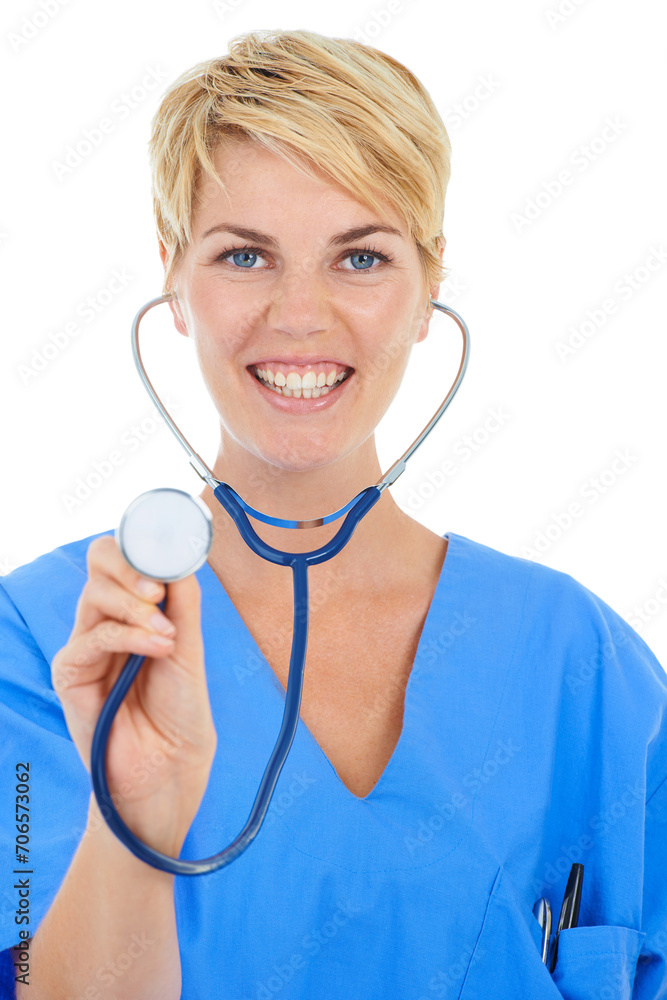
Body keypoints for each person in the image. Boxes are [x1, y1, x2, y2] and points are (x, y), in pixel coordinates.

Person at [1, 27, 666, 1000]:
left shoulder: (580, 662)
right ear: (173, 279)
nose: (300, 314)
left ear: (430, 283)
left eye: (359, 258)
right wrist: (133, 823)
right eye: (243, 255)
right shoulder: (46, 640)